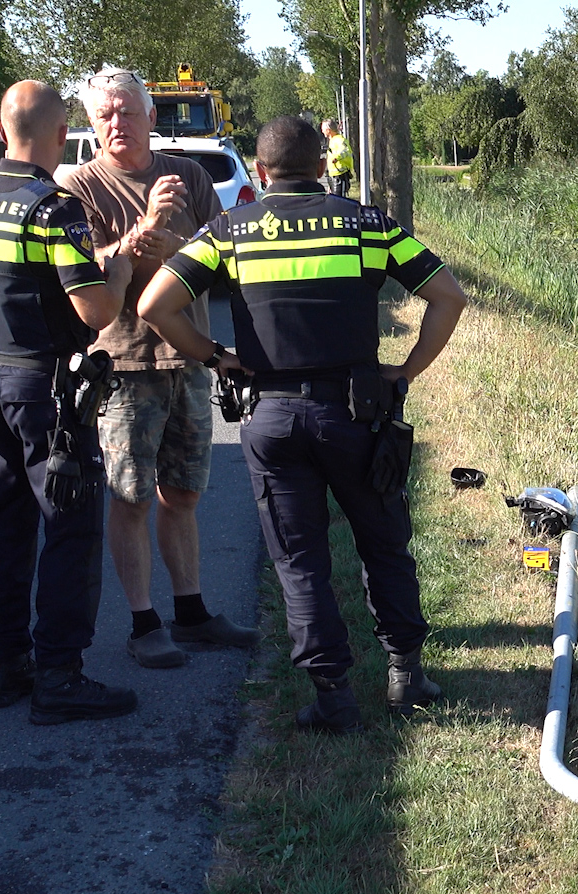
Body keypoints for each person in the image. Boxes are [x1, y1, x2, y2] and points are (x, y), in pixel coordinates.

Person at [138, 116, 467, 733]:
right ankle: (405, 676)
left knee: (300, 559)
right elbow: (448, 295)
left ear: (260, 173)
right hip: (358, 412)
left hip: (274, 417)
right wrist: (406, 372)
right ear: (323, 166)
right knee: (384, 543)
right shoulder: (366, 224)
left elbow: (153, 305)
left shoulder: (229, 231)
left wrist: (216, 356)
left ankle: (334, 696)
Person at [0, 81, 138, 725]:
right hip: (48, 397)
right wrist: (121, 262)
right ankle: (59, 677)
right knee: (70, 531)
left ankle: (3, 666)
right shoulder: (53, 210)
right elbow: (96, 310)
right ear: (57, 135)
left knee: (3, 531)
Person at [62, 67, 259, 669]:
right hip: (121, 366)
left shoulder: (190, 176)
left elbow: (220, 256)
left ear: (152, 116)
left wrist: (169, 247)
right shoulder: (80, 188)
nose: (117, 123)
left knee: (183, 494)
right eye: (105, 115)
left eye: (127, 111)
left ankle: (192, 612)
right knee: (131, 497)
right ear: (92, 126)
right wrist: (140, 233)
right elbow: (82, 276)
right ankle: (144, 623)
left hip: (189, 357)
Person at [323, 119, 354, 199]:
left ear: (328, 130)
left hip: (340, 176)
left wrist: (337, 157)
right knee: (335, 201)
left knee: (340, 201)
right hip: (333, 177)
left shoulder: (339, 139)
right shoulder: (332, 140)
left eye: (323, 129)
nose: (322, 131)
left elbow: (346, 151)